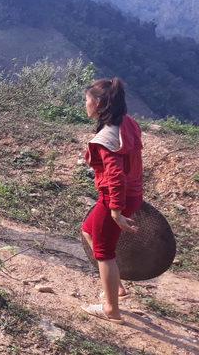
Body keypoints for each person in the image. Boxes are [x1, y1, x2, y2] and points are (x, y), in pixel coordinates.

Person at [80, 78, 143, 324]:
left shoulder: (108, 138)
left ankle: (111, 309)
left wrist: (116, 210)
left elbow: (115, 176)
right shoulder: (129, 124)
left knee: (104, 252)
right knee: (87, 231)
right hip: (133, 194)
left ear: (97, 103)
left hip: (115, 199)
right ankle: (116, 288)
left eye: (87, 100)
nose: (85, 104)